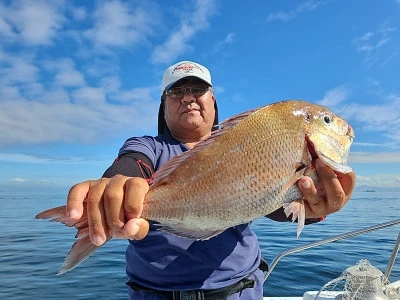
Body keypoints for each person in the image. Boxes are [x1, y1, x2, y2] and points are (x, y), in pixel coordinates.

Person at [66, 61, 356, 299]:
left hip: (238, 292)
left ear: (212, 100)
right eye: (176, 92)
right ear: (163, 105)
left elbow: (271, 201)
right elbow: (130, 164)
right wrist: (113, 188)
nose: (188, 97)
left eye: (197, 90)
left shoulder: (241, 143)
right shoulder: (148, 146)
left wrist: (317, 207)